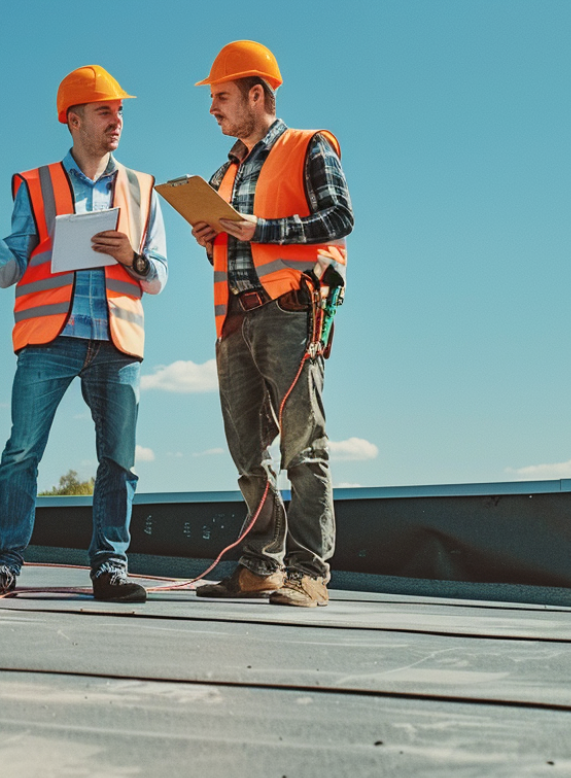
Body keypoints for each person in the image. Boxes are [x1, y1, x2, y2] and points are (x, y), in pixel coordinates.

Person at [0, 65, 167, 603]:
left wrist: (129, 257)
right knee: (22, 453)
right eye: (105, 110)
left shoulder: (142, 189)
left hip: (116, 344)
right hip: (50, 339)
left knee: (119, 460)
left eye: (120, 110)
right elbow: (8, 270)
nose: (117, 120)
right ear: (74, 119)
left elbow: (157, 276)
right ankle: (5, 568)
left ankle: (110, 568)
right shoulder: (35, 185)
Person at [188, 41, 353, 607]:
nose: (213, 108)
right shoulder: (223, 170)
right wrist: (208, 234)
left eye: (222, 97)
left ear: (256, 94)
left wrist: (259, 228)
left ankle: (309, 572)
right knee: (248, 454)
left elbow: (338, 217)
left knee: (303, 449)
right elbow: (233, 245)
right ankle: (262, 566)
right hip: (234, 321)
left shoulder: (310, 147)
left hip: (289, 312)